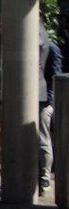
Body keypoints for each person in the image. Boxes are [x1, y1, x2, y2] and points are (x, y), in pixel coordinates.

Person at [38, 19, 62, 196]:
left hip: (43, 101)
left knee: (42, 139)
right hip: (35, 99)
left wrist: (49, 101)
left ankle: (45, 177)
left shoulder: (51, 48)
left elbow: (55, 75)